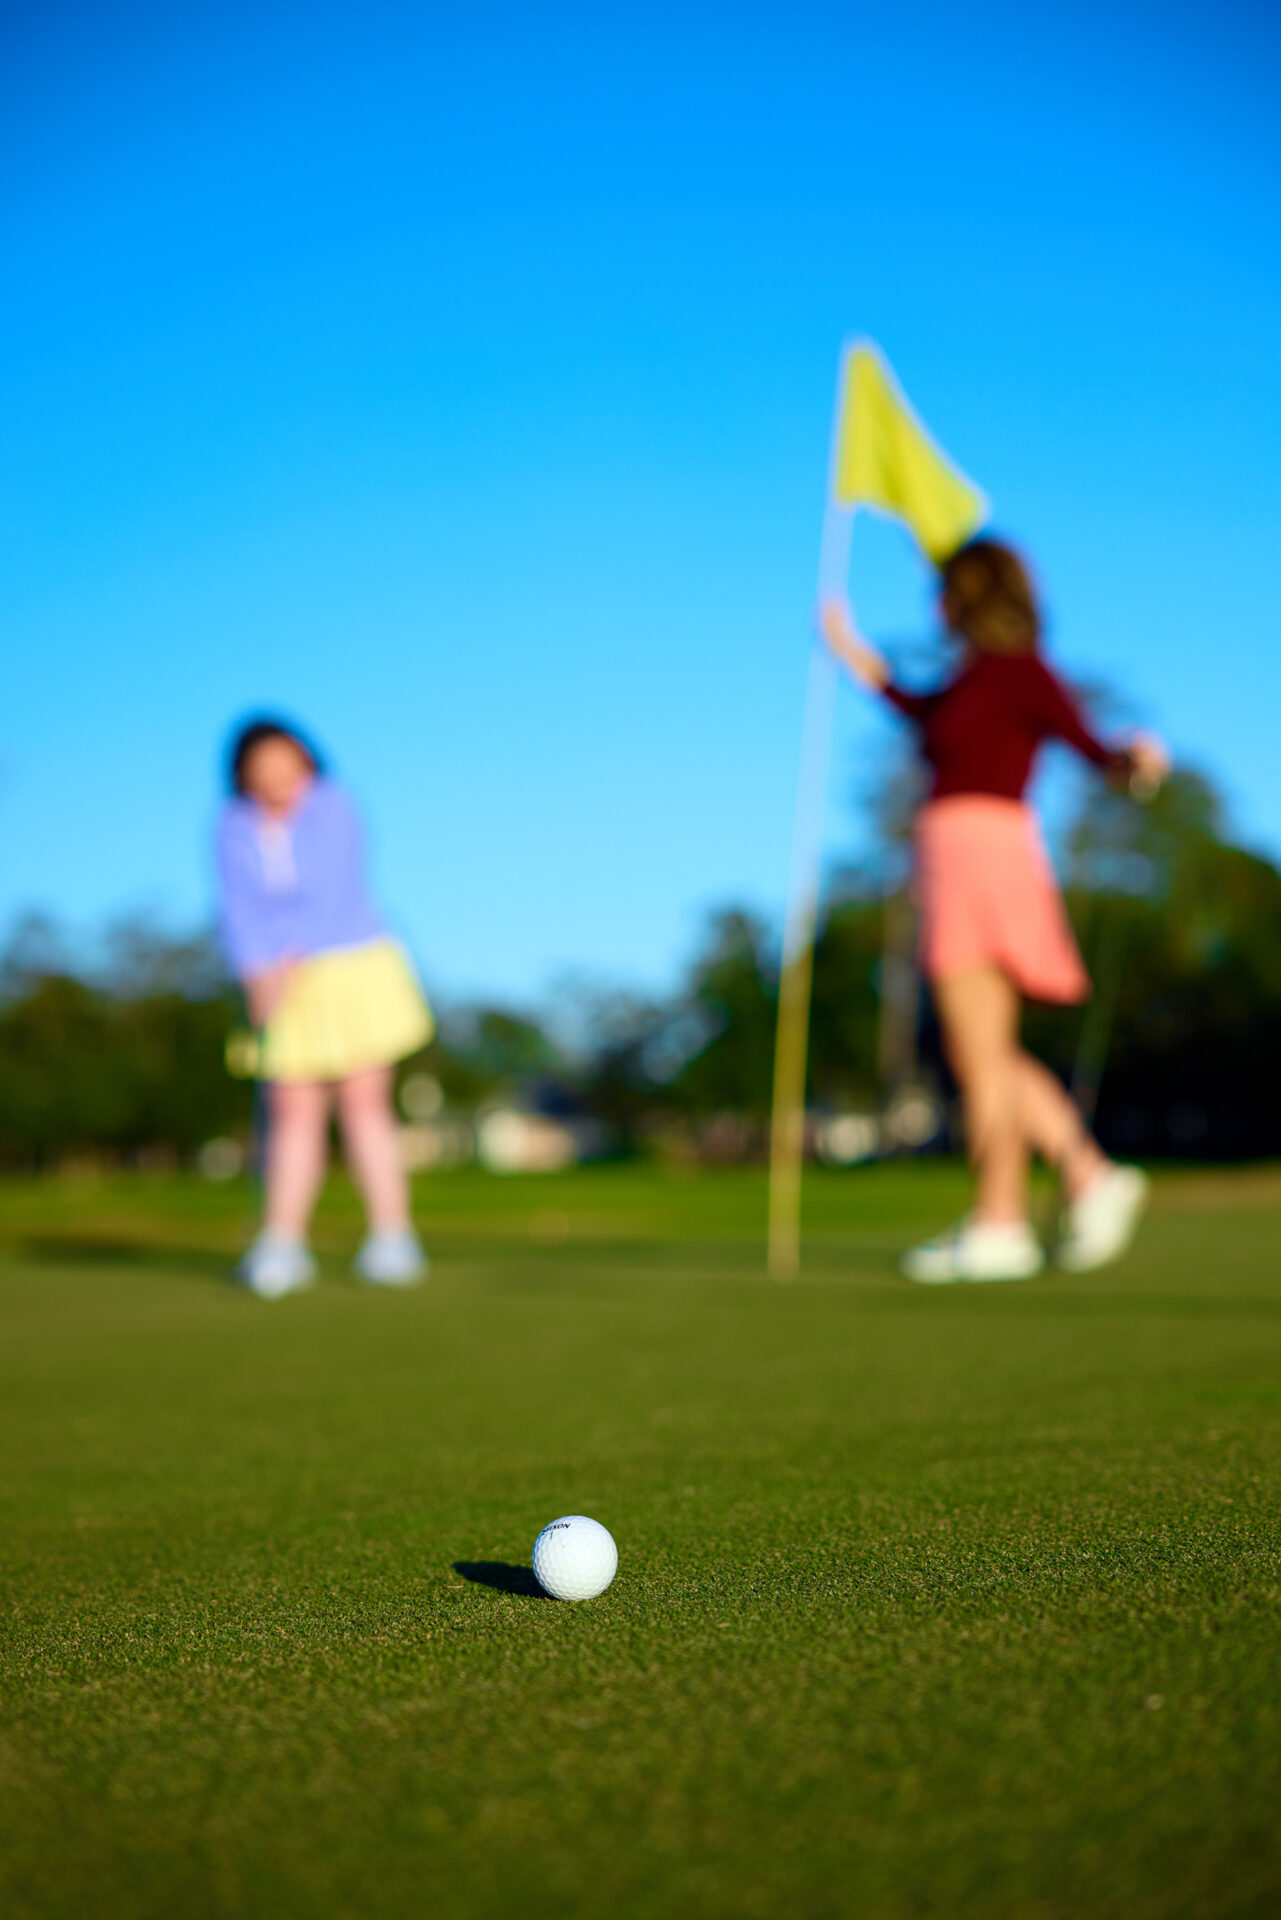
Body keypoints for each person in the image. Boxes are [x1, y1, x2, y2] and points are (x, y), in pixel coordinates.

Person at [820, 537, 1168, 1283]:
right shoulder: (967, 679)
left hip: (985, 855)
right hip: (953, 859)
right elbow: (911, 706)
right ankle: (1070, 1184)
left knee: (979, 1056)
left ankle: (1010, 1217)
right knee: (983, 1053)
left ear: (968, 599)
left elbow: (1092, 750)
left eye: (945, 592)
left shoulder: (1022, 673)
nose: (935, 605)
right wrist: (847, 648)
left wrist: (1133, 759)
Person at [216, 718, 433, 1297]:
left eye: (285, 762)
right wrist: (255, 971)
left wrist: (288, 957)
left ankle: (392, 1237)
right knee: (292, 1110)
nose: (276, 776)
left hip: (350, 963)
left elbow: (336, 888)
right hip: (273, 978)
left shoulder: (335, 804)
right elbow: (236, 907)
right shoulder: (231, 824)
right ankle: (282, 1243)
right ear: (242, 775)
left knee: (364, 1104)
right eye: (262, 767)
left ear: (306, 762)